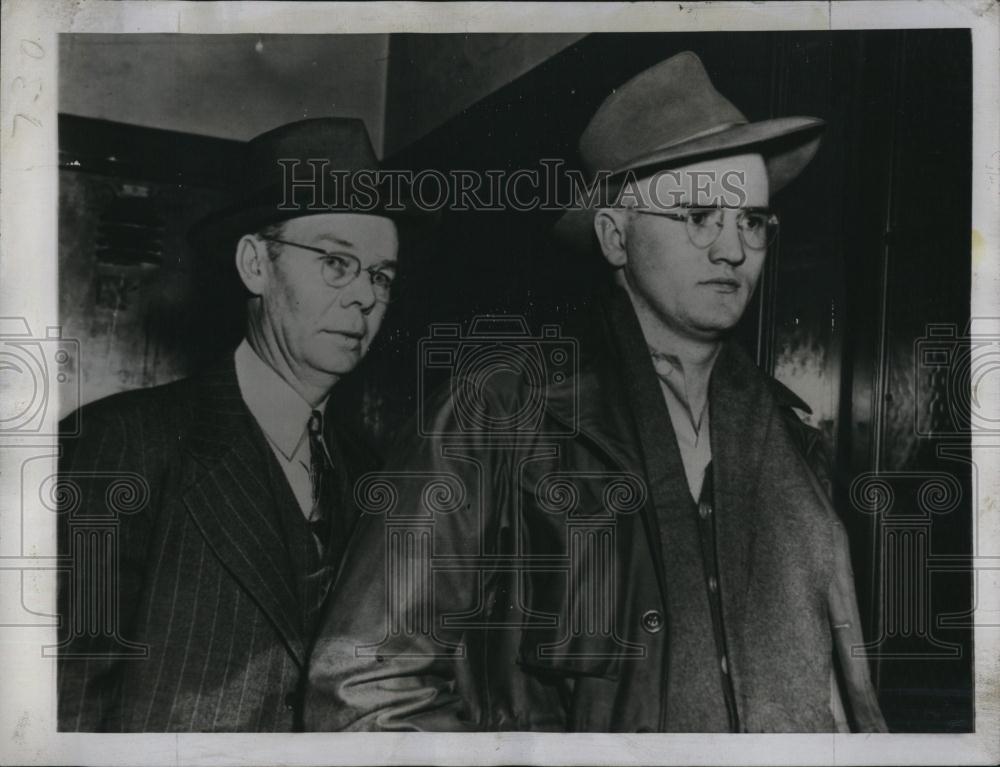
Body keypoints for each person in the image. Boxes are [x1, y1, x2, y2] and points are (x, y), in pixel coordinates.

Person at [305, 53, 887, 732]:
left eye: (753, 221)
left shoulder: (792, 440)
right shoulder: (500, 411)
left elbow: (843, 709)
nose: (733, 248)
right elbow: (364, 683)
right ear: (615, 235)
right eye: (699, 215)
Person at [57, 118, 404, 731]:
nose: (363, 297)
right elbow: (68, 694)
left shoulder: (372, 476)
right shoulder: (122, 442)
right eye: (335, 262)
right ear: (254, 264)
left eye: (380, 274)